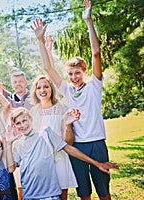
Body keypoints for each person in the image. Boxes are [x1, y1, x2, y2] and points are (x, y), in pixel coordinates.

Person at [31, 1, 114, 199]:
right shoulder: (67, 91)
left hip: (96, 143)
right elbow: (48, 69)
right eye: (70, 73)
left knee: (103, 191)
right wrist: (40, 41)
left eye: (77, 73)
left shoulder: (94, 87)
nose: (74, 76)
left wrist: (88, 20)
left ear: (84, 72)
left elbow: (96, 53)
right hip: (76, 146)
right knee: (83, 192)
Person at [6, 107, 118, 200]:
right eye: (18, 123)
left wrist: (97, 164)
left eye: (24, 120)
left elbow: (69, 149)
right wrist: (9, 143)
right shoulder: (17, 144)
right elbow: (11, 169)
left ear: (30, 119)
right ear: (15, 126)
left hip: (50, 195)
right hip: (29, 196)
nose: (22, 125)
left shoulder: (45, 133)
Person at [29, 75, 79, 200]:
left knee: (62, 195)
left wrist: (68, 125)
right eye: (39, 87)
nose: (42, 90)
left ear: (51, 89)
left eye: (46, 86)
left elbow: (69, 142)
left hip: (59, 157)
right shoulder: (32, 112)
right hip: (41, 161)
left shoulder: (62, 108)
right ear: (35, 92)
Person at [0, 41, 33, 110]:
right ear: (11, 84)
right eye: (15, 82)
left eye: (20, 81)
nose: (18, 84)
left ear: (26, 83)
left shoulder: (34, 96)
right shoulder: (8, 98)